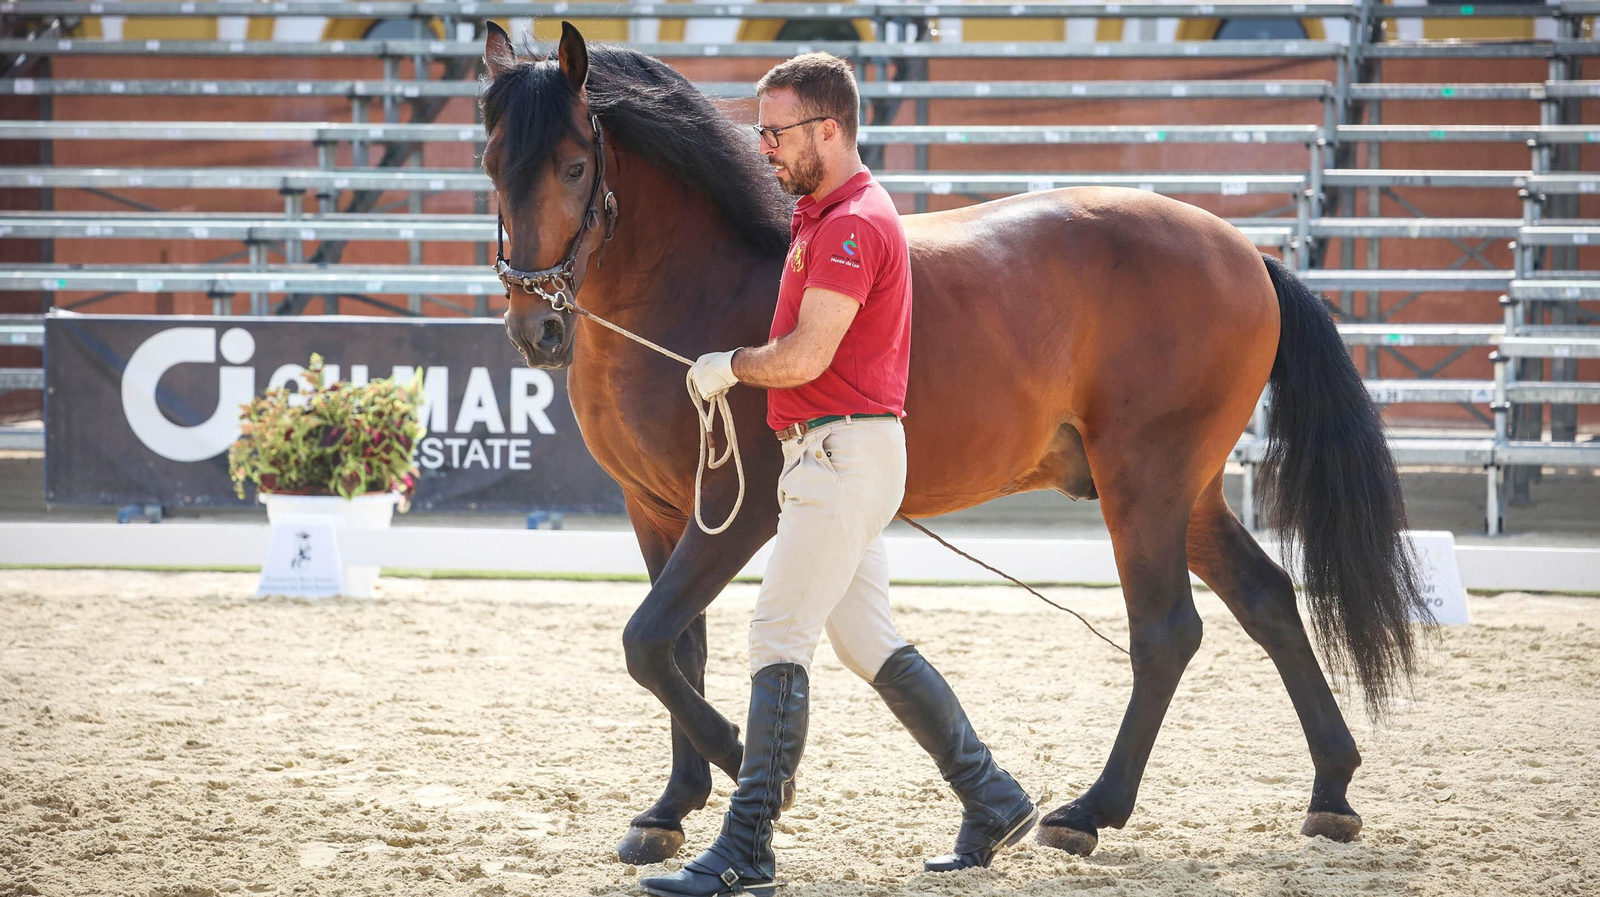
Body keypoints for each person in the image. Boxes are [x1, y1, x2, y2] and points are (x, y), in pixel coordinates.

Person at [639, 53, 1035, 897]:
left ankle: (747, 843)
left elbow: (809, 353)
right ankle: (992, 794)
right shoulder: (822, 215)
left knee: (777, 633)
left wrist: (731, 366)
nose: (764, 148)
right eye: (760, 131)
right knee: (869, 640)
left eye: (776, 132)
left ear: (830, 128)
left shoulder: (853, 223)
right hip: (833, 452)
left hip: (839, 452)